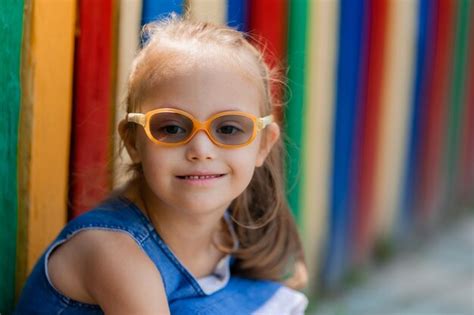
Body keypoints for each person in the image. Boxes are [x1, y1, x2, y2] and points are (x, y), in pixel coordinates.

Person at [15, 15, 308, 314]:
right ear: (133, 141)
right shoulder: (115, 254)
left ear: (263, 145)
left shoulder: (230, 228)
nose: (201, 150)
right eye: (171, 128)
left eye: (229, 129)